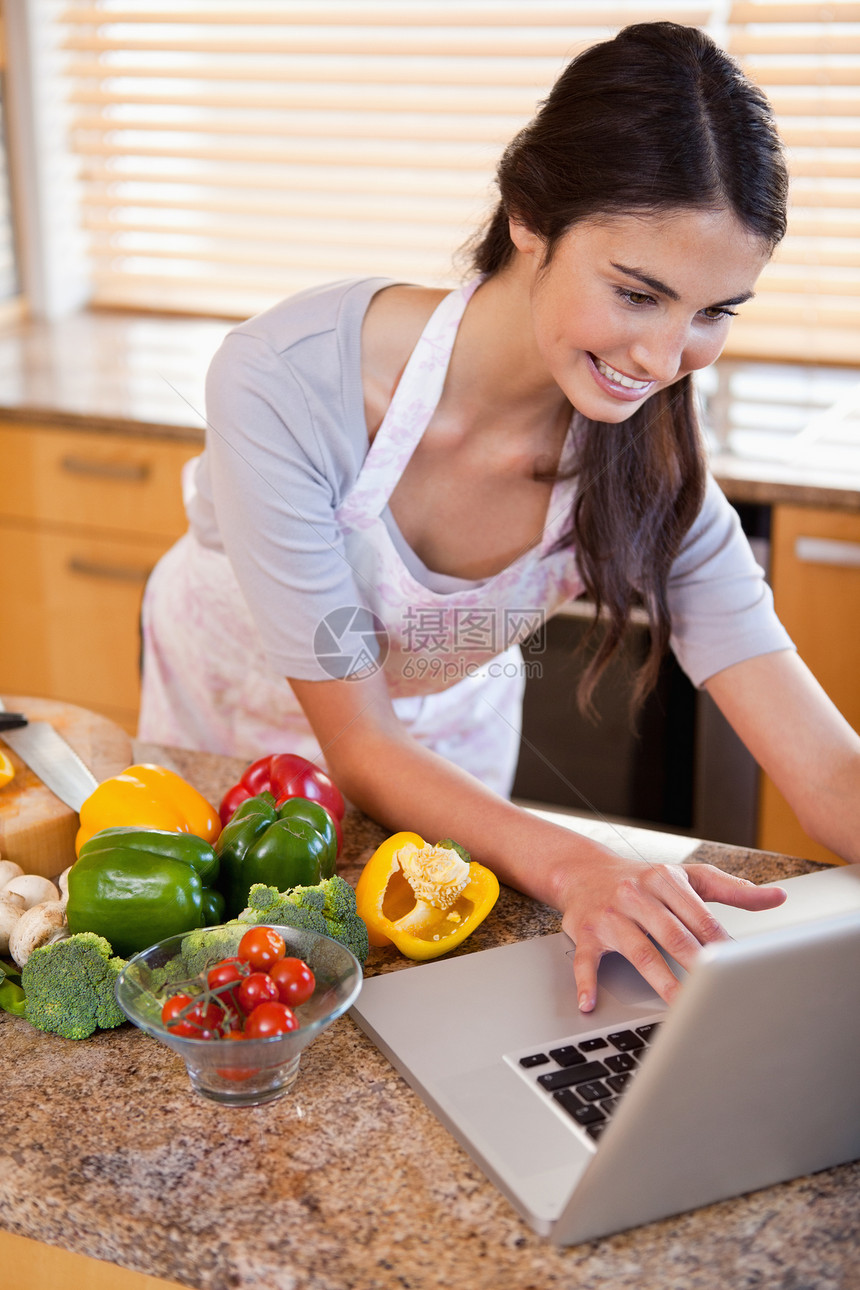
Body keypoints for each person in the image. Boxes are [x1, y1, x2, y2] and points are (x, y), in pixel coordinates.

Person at [139, 22, 860, 1011]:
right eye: (636, 293)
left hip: (451, 780)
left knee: (421, 1024)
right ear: (529, 216)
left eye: (712, 312)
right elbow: (360, 743)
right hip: (233, 750)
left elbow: (824, 771)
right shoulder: (287, 380)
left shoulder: (650, 463)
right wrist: (584, 867)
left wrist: (567, 866)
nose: (661, 358)